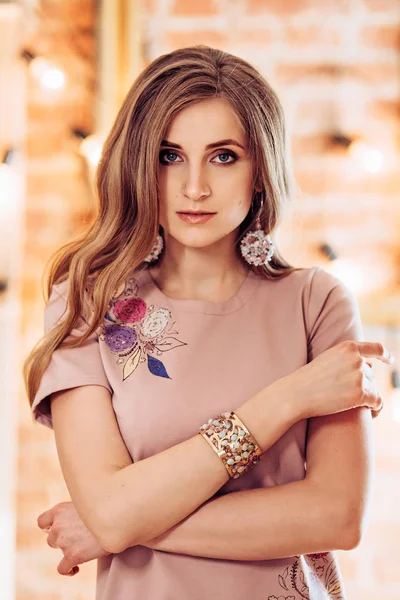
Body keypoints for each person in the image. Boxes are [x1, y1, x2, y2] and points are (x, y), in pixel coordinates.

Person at [23, 45, 394, 600]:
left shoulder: (316, 302)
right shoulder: (88, 301)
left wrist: (119, 522)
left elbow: (336, 517)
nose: (194, 186)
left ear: (261, 170)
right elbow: (112, 513)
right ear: (138, 165)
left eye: (223, 157)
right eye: (170, 156)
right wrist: (287, 398)